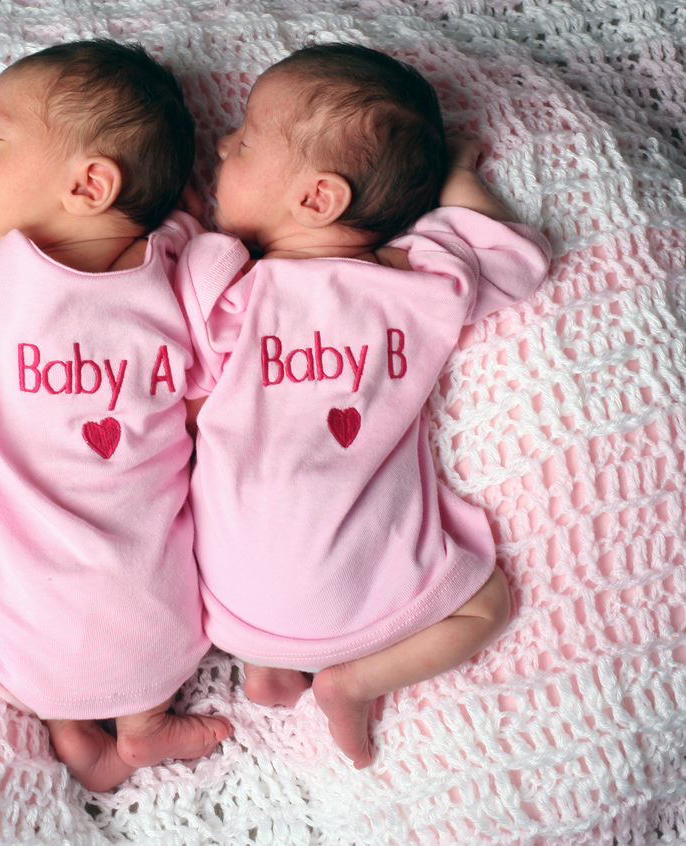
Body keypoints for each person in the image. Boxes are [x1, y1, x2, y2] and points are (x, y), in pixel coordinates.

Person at [175, 43, 552, 769]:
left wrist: (189, 229)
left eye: (244, 141)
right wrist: (458, 177)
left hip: (228, 603)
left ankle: (268, 663)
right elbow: (514, 258)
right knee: (488, 604)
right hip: (367, 590)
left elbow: (180, 365)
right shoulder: (418, 285)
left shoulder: (238, 296)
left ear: (317, 198)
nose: (222, 146)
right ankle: (354, 680)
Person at [0, 40, 231, 793]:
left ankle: (70, 725)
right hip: (162, 621)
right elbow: (206, 398)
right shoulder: (177, 277)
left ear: (90, 183)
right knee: (145, 602)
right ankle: (143, 726)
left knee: (37, 635)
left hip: (18, 633)